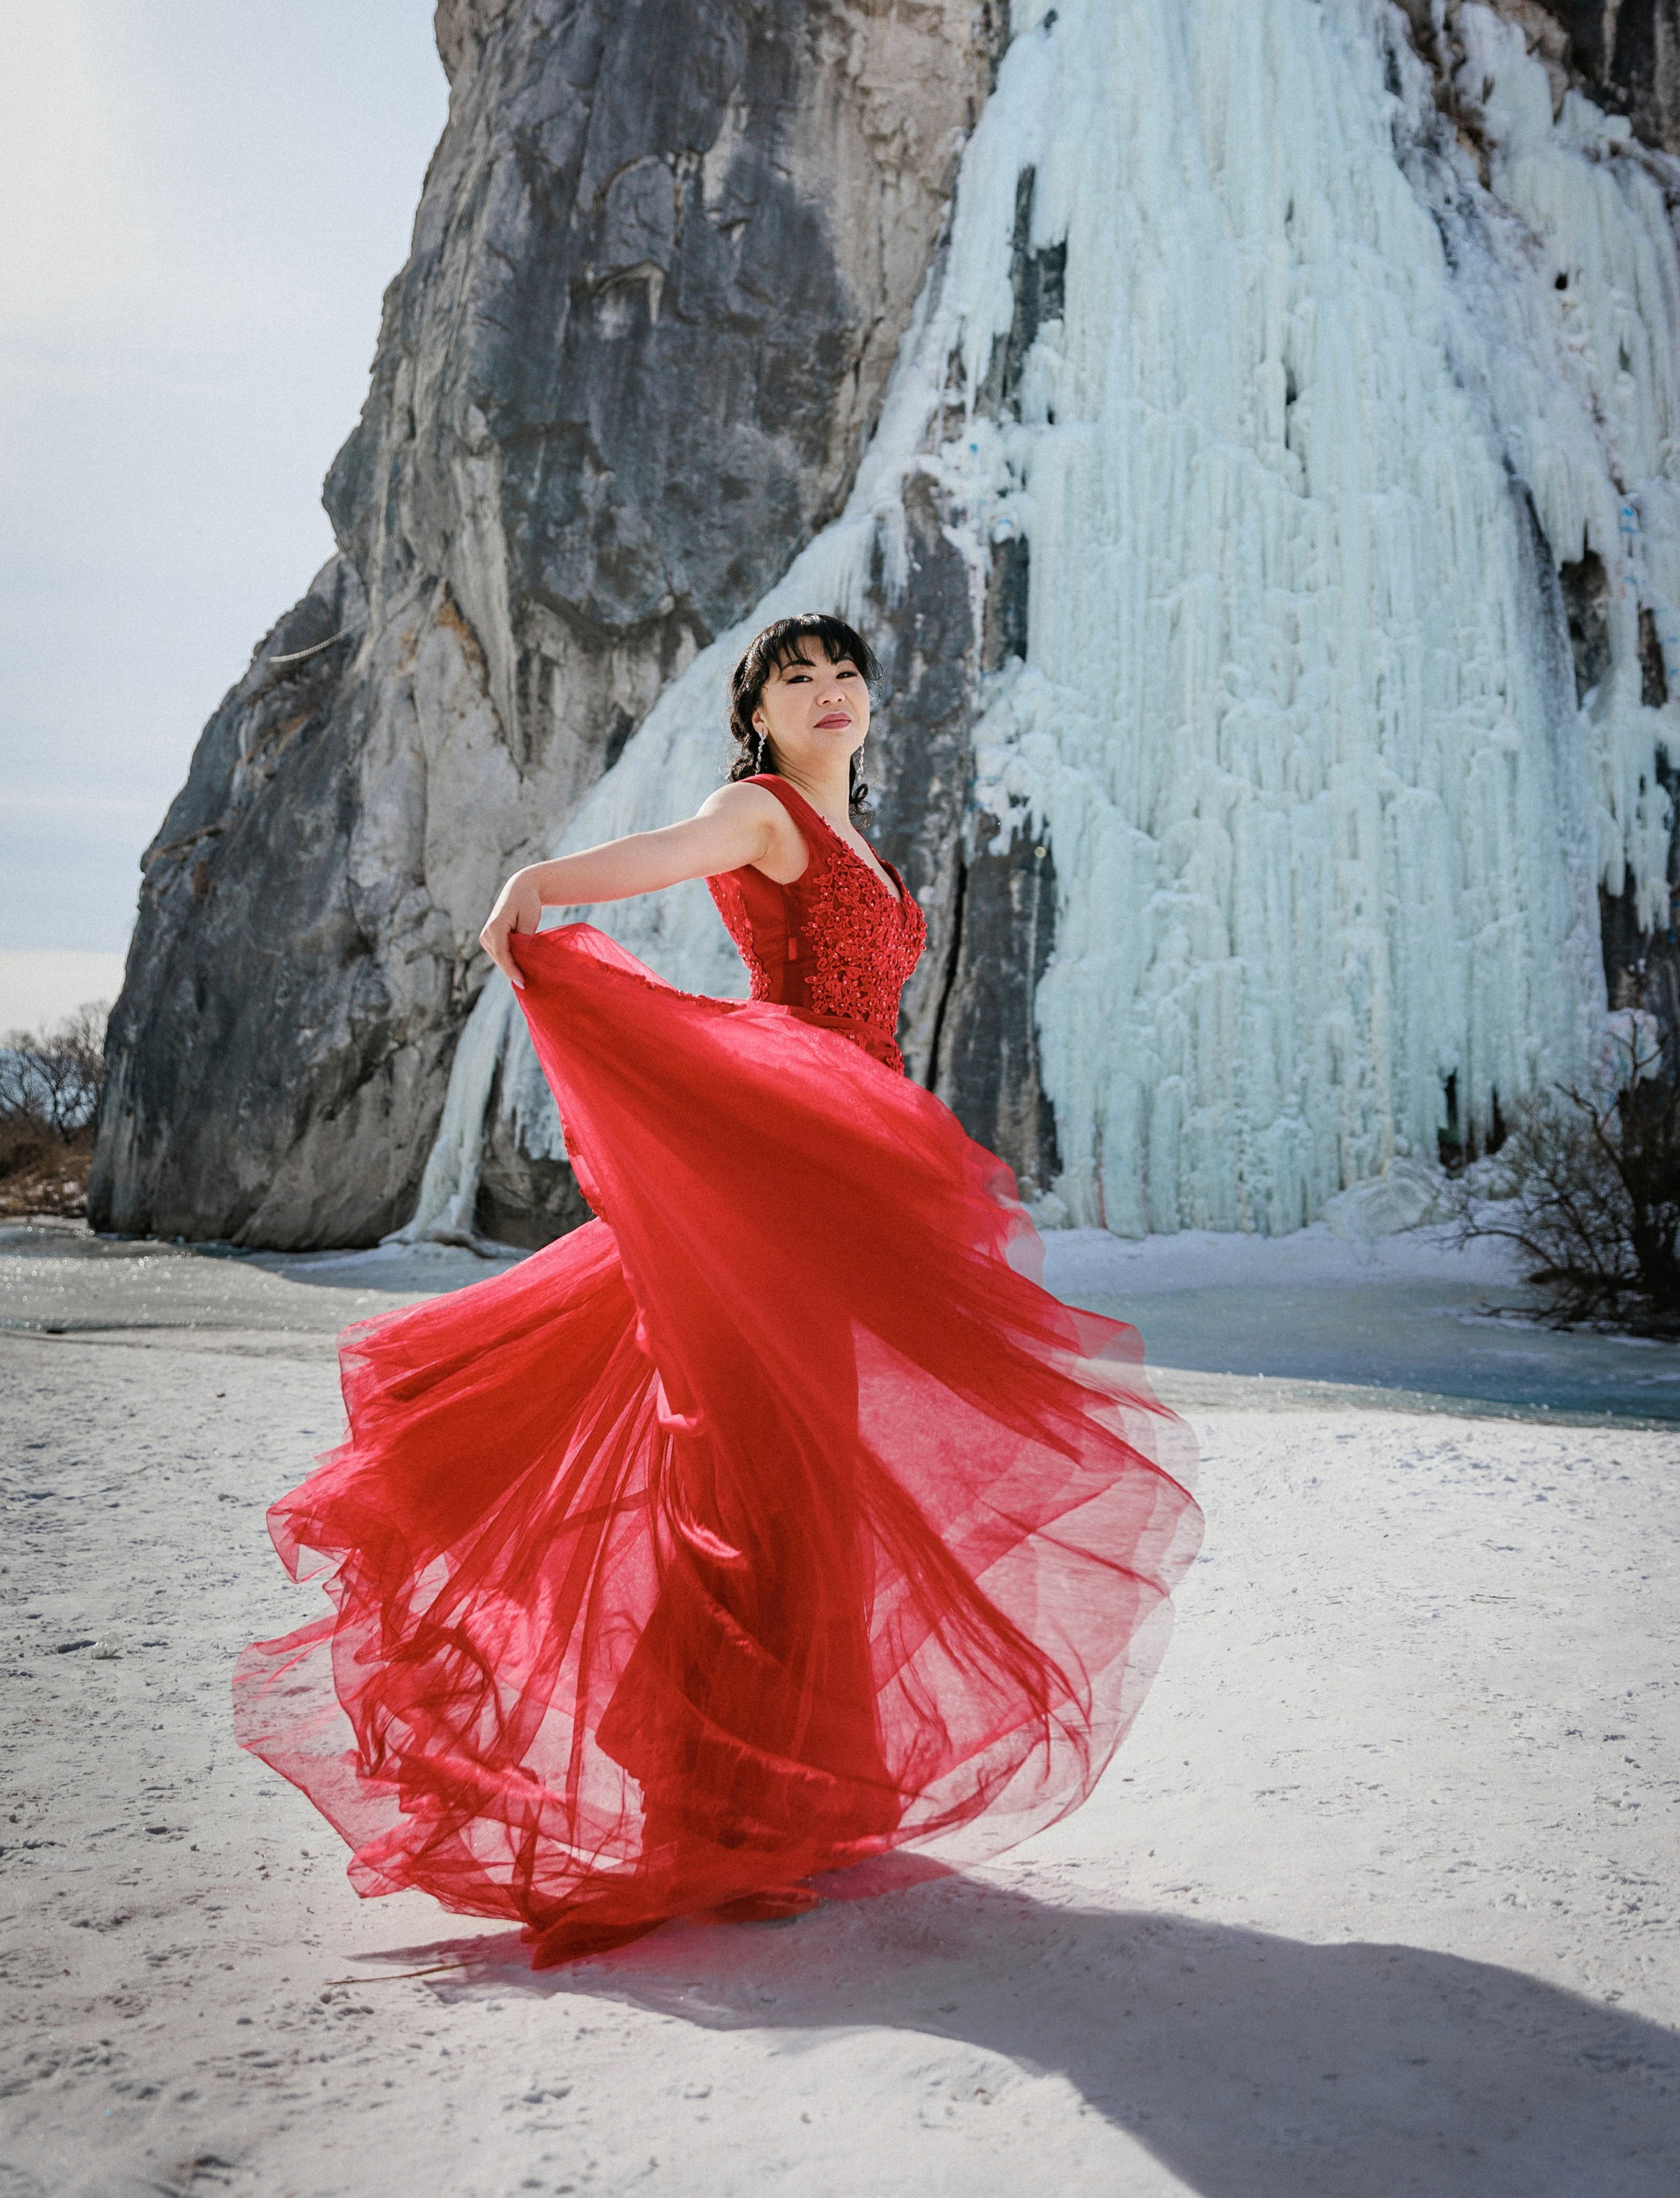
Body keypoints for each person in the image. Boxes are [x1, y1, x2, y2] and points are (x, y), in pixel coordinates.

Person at [235, 615, 1200, 1967]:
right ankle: (718, 1807)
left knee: (805, 1482)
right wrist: (540, 883)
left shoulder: (862, 838)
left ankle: (780, 1794)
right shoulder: (754, 812)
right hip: (777, 1174)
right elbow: (660, 858)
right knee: (763, 1479)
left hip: (843, 1184)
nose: (826, 693)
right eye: (793, 679)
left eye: (842, 672)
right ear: (754, 712)